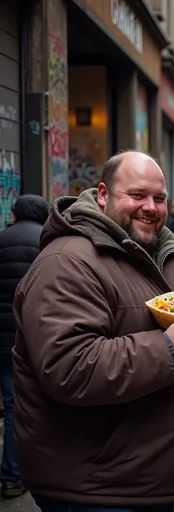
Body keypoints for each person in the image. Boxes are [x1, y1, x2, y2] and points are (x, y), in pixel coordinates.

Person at [13, 151, 174, 512]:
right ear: (104, 194)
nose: (150, 207)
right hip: (94, 485)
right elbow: (67, 367)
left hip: (149, 478)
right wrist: (168, 349)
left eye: (159, 198)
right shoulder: (66, 262)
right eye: (137, 195)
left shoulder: (172, 254)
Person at [0, 194, 48, 499]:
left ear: (15, 213)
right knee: (30, 404)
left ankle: (11, 475)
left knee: (11, 404)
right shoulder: (48, 241)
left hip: (2, 338)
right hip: (32, 337)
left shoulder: (2, 238)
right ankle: (26, 471)